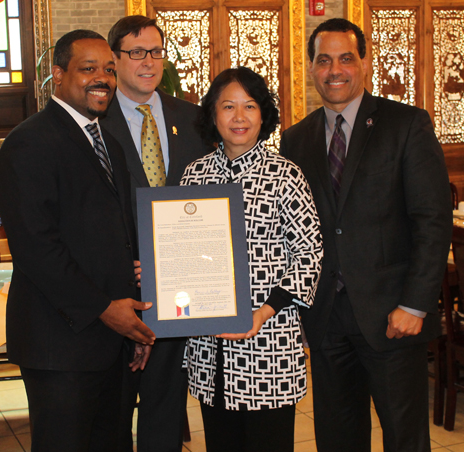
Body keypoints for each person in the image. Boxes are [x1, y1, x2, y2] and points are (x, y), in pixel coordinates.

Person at [280, 18, 452, 452]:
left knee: (404, 439)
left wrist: (415, 303)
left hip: (393, 317)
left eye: (345, 58)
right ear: (311, 68)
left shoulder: (406, 124)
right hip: (325, 320)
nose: (334, 70)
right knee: (337, 439)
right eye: (323, 60)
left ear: (365, 63)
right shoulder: (294, 140)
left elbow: (432, 219)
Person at [0, 29, 155, 452]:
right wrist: (105, 310)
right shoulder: (28, 142)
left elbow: (120, 241)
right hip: (60, 345)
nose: (101, 78)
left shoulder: (111, 145)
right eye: (88, 69)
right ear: (58, 74)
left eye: (108, 69)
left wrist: (133, 331)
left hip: (113, 345)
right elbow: (35, 248)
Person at [180, 66, 323, 452]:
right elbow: (182, 252)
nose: (239, 117)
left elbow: (309, 253)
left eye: (250, 106)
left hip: (268, 344)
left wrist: (262, 313)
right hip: (210, 348)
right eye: (228, 107)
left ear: (264, 115)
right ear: (213, 114)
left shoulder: (285, 175)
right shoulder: (194, 176)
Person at [100, 15, 212, 452]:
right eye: (136, 52)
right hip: (119, 291)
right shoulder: (96, 119)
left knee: (165, 411)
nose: (149, 62)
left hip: (179, 290)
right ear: (115, 58)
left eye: (156, 52)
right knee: (112, 413)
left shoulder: (194, 118)